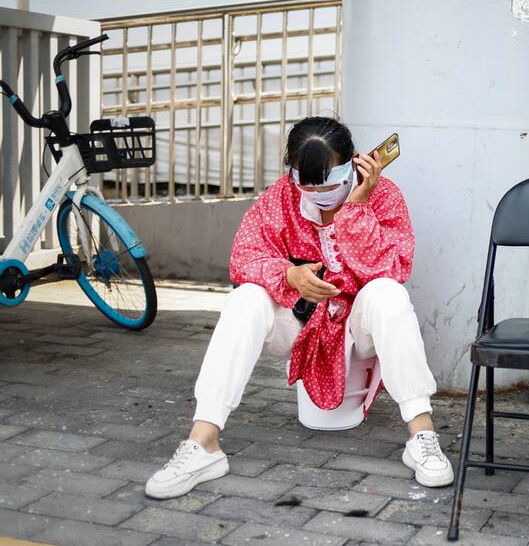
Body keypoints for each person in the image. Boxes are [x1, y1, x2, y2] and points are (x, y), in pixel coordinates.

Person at [145, 117, 453, 499]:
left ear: (353, 164)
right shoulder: (281, 197)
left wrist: (357, 206)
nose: (319, 194)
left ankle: (422, 435)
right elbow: (244, 256)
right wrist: (289, 275)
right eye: (308, 185)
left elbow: (392, 268)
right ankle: (203, 442)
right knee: (244, 299)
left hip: (356, 326)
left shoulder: (383, 195)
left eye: (330, 184)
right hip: (300, 321)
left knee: (388, 294)